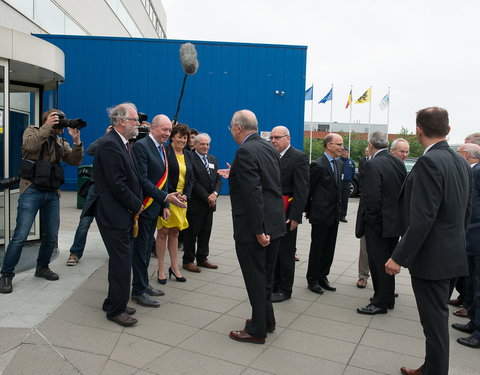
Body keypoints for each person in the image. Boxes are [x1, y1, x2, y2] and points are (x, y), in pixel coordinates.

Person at [385, 107, 472, 375]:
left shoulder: (429, 162)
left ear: (418, 130)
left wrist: (398, 256)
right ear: (447, 129)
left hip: (433, 260)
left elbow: (422, 218)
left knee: (434, 325)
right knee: (435, 323)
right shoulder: (461, 160)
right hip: (453, 255)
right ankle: (429, 367)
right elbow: (466, 212)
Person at [0, 109, 83, 294]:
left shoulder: (61, 142)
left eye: (62, 119)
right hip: (31, 190)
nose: (61, 123)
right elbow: (29, 146)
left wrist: (77, 141)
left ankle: (42, 267)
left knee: (51, 236)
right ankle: (6, 274)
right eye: (57, 119)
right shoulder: (32, 130)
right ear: (47, 120)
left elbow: (75, 161)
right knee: (20, 236)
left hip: (52, 193)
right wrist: (47, 127)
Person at [228, 110, 285, 344]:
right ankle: (266, 320)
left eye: (231, 125)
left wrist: (258, 231)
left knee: (255, 278)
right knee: (265, 277)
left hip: (255, 229)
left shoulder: (245, 151)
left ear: (239, 128)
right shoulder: (268, 147)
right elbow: (266, 183)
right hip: (274, 222)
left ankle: (257, 330)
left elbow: (253, 194)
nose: (230, 129)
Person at [82, 102, 142, 327]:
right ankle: (116, 310)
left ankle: (113, 301)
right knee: (121, 262)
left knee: (120, 261)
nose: (138, 124)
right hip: (113, 213)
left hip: (120, 212)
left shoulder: (123, 143)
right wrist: (137, 205)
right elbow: (117, 185)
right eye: (135, 120)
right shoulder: (110, 145)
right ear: (121, 121)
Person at [131, 115, 186, 307]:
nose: (167, 134)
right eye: (163, 130)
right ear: (153, 128)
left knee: (147, 249)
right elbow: (143, 180)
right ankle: (138, 291)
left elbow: (163, 179)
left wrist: (164, 205)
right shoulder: (142, 146)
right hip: (144, 207)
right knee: (140, 250)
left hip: (155, 207)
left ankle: (143, 284)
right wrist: (164, 198)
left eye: (169, 130)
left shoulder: (162, 148)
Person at [356, 132, 406, 315]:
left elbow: (372, 198)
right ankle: (388, 297)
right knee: (388, 263)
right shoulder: (397, 162)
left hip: (378, 225)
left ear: (370, 144)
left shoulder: (373, 164)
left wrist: (370, 222)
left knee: (378, 264)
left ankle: (380, 302)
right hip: (393, 223)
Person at [269, 125, 309, 302]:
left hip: (287, 211)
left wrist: (295, 216)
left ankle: (285, 289)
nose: (273, 141)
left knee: (286, 252)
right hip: (272, 210)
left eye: (277, 138)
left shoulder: (298, 157)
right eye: (271, 138)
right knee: (274, 251)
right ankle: (274, 284)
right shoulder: (271, 154)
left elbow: (302, 190)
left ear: (288, 138)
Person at [305, 133, 344, 294]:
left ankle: (323, 276)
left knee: (329, 248)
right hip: (320, 215)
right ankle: (312, 279)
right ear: (329, 145)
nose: (342, 147)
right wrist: (308, 210)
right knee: (318, 248)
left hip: (334, 214)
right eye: (339, 144)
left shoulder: (339, 164)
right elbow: (309, 190)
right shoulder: (317, 165)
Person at [66, 128, 111, 266]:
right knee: (84, 222)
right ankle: (75, 253)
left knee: (112, 224)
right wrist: (105, 135)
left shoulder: (125, 143)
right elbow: (91, 150)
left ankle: (116, 252)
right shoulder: (105, 141)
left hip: (113, 190)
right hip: (96, 188)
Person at [156, 124, 193, 283]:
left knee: (176, 233)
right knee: (163, 232)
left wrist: (186, 195)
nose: (182, 140)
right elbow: (162, 176)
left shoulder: (188, 155)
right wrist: (172, 195)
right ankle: (161, 268)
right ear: (172, 137)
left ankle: (174, 267)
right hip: (168, 197)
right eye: (179, 136)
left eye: (185, 138)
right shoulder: (165, 152)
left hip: (182, 200)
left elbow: (191, 179)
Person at [452, 143, 480, 348]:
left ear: (466, 154)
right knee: (472, 282)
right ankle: (474, 322)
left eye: (459, 152)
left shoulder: (477, 172)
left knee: (478, 284)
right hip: (471, 235)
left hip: (477, 235)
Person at [182, 133, 222, 273]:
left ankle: (202, 258)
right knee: (191, 234)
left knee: (206, 232)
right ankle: (188, 260)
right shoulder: (189, 158)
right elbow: (192, 181)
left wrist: (215, 194)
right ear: (196, 144)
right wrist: (207, 196)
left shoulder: (213, 159)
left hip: (210, 204)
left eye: (207, 144)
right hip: (196, 204)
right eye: (202, 144)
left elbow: (218, 179)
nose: (205, 147)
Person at [356, 147, 370, 289]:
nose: (404, 155)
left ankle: (388, 281)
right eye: (401, 151)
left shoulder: (395, 166)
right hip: (368, 215)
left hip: (387, 219)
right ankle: (363, 276)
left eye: (406, 152)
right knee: (364, 249)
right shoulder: (365, 163)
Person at [339, 147, 355, 223]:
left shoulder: (351, 162)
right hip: (338, 183)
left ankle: (343, 215)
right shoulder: (337, 161)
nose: (344, 153)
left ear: (348, 153)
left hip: (346, 183)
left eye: (346, 152)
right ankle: (336, 215)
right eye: (343, 152)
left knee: (345, 200)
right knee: (337, 200)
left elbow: (353, 173)